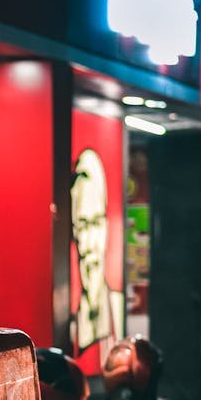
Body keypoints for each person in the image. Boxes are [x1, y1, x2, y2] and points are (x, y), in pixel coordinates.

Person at [70, 148, 124, 355]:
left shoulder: (115, 311)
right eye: (80, 224)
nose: (87, 240)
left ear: (106, 227)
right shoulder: (71, 317)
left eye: (94, 223)